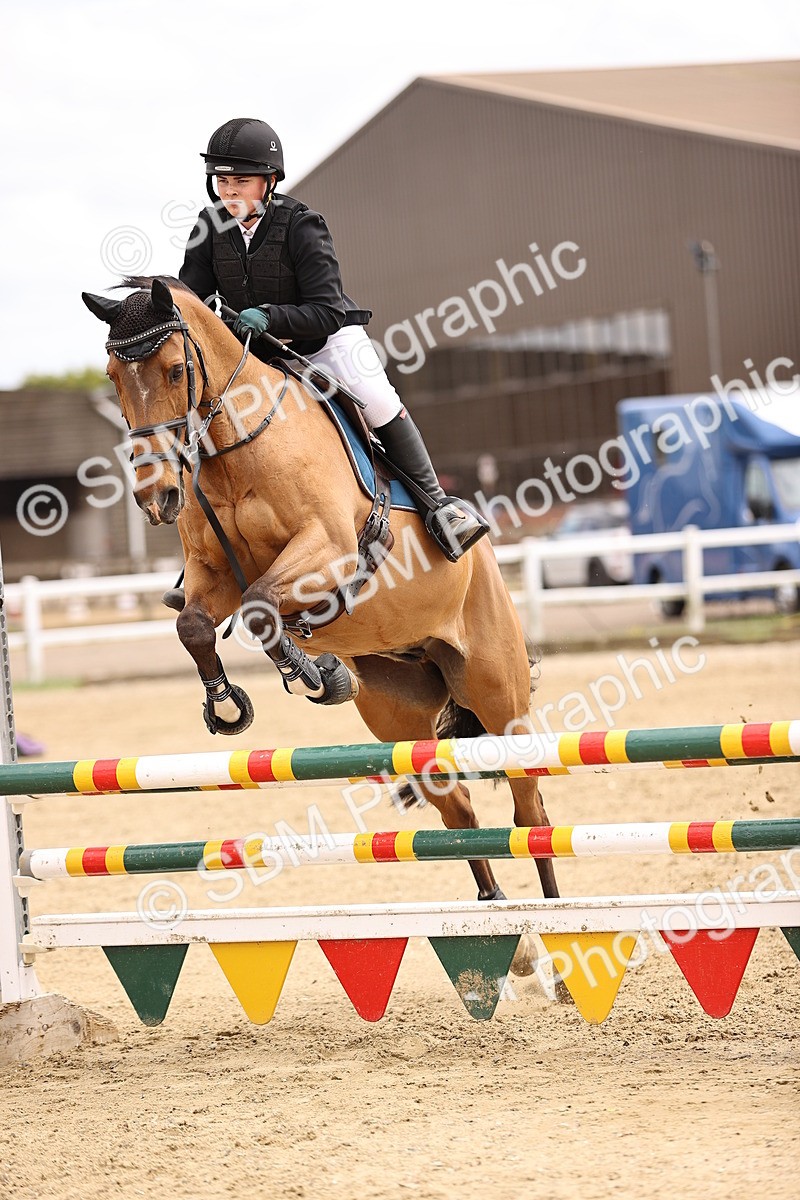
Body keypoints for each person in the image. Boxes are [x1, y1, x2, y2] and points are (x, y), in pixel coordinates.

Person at [166, 117, 487, 610]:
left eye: (240, 181)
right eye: (222, 181)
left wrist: (269, 316)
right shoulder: (208, 229)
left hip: (325, 340)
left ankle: (439, 507)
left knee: (379, 401)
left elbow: (328, 308)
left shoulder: (301, 225)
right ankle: (207, 554)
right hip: (258, 353)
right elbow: (189, 299)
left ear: (268, 181)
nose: (229, 191)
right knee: (207, 420)